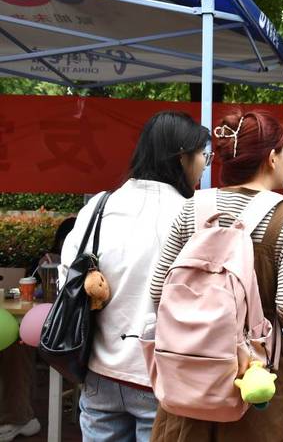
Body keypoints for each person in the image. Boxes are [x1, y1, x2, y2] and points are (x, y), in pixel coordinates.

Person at [149, 109, 283, 442]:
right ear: (272, 158)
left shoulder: (192, 208)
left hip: (188, 372)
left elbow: (157, 291)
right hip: (253, 379)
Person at [59, 111, 210, 442]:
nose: (204, 165)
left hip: (98, 370)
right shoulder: (193, 215)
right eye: (203, 155)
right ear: (181, 157)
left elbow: (68, 280)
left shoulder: (99, 207)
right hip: (161, 376)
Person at [0, 217, 75, 442]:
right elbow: (27, 286)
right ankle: (17, 415)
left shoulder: (86, 264)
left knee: (17, 344)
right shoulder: (45, 260)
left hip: (65, 334)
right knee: (16, 342)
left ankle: (17, 416)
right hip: (32, 325)